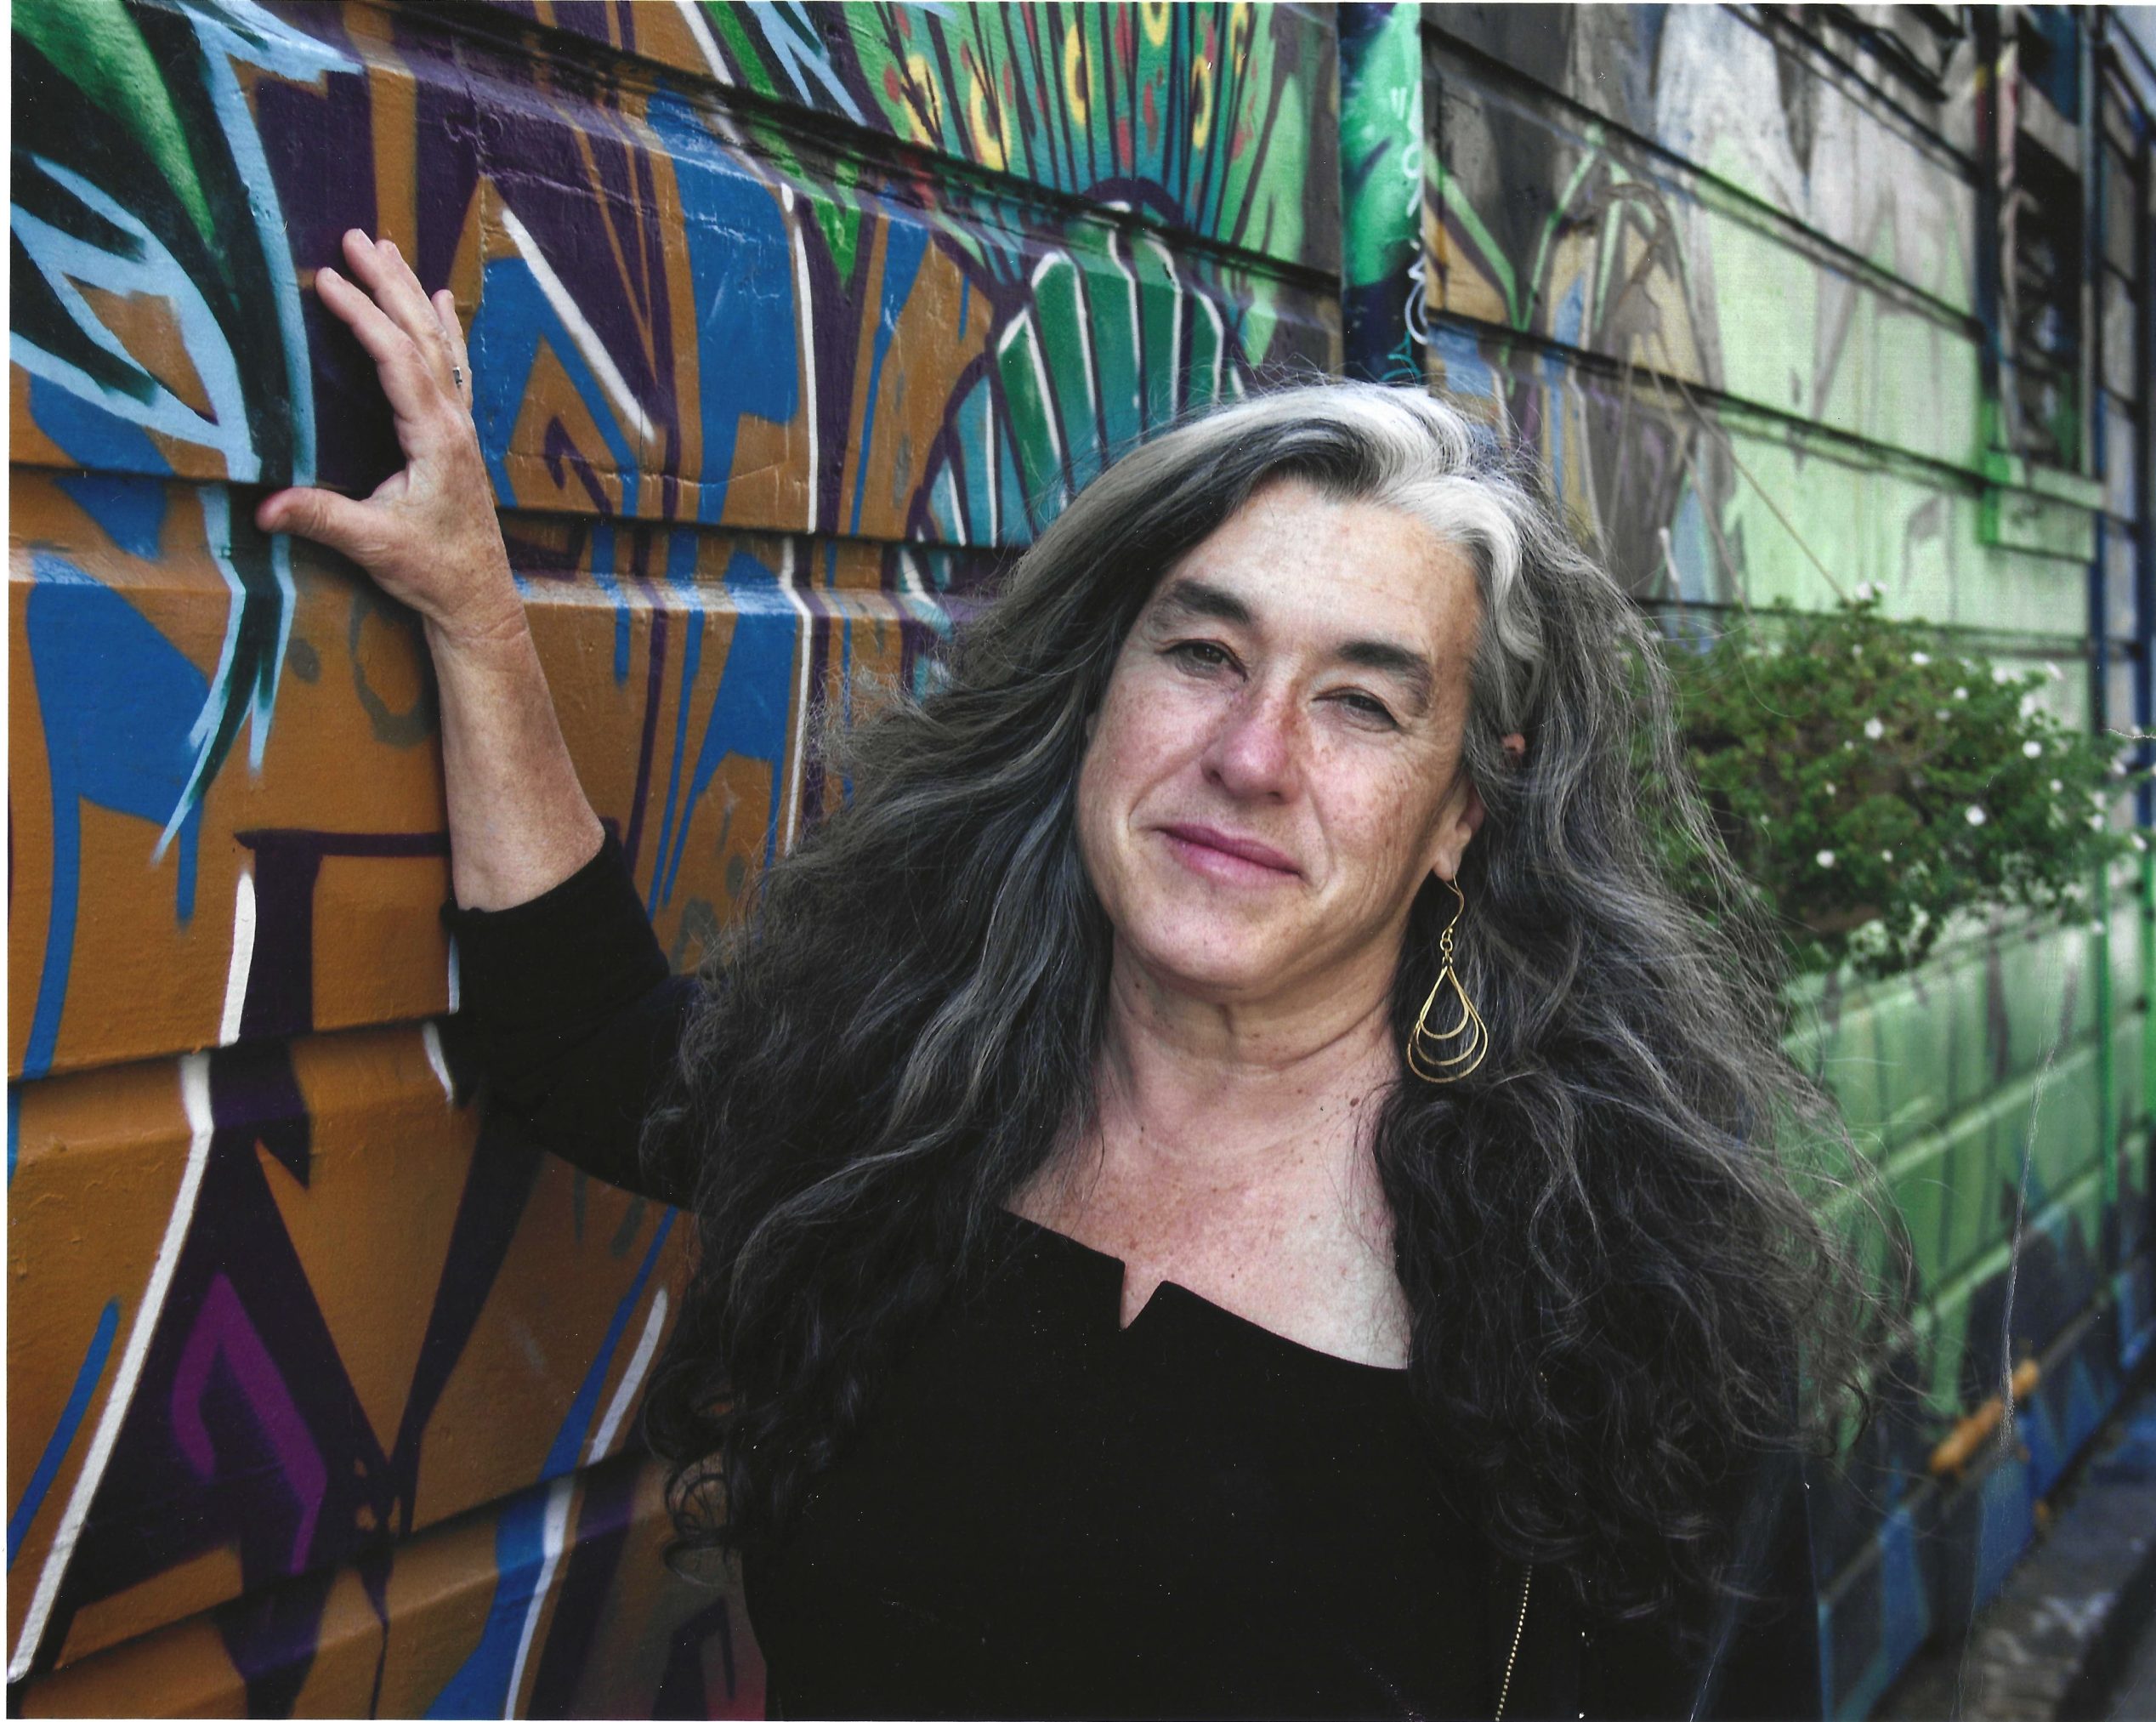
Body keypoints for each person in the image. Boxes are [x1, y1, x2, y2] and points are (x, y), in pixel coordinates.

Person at [261, 230, 1881, 1720]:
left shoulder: (1615, 1295)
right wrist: (474, 603)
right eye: (1202, 652)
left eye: (1364, 705)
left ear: (1465, 809)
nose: (1252, 756)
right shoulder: (907, 1103)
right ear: (1093, 699)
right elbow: (585, 1038)